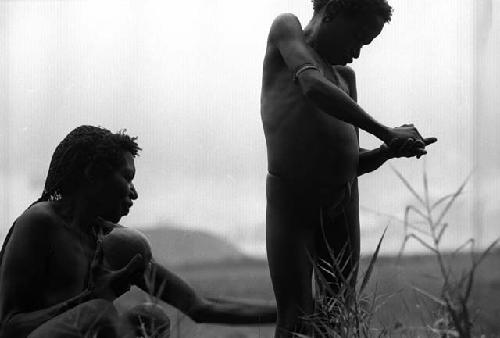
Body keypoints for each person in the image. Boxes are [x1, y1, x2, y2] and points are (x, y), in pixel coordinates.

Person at [260, 0, 437, 336]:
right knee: (297, 318)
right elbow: (311, 86)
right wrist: (386, 131)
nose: (356, 53)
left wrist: (387, 151)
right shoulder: (287, 29)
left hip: (342, 206)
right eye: (356, 38)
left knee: (337, 315)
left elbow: (350, 162)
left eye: (364, 45)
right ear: (333, 13)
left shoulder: (345, 77)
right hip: (293, 205)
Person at [0, 125, 277, 338]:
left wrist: (293, 311)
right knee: (100, 312)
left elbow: (199, 306)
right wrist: (91, 298)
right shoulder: (39, 223)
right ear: (92, 172)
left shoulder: (113, 243)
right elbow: (9, 327)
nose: (135, 192)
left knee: (151, 318)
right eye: (127, 177)